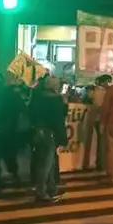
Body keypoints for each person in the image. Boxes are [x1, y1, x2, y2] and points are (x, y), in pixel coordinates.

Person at [28, 74, 68, 203]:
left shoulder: (37, 97)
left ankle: (52, 189)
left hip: (37, 132)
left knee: (48, 163)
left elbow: (30, 114)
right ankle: (41, 192)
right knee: (46, 164)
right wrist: (63, 139)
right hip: (49, 133)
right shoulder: (56, 100)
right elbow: (58, 120)